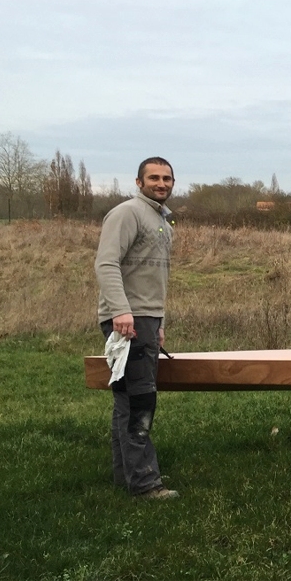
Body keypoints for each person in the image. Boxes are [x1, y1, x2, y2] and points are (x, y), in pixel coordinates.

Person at [95, 157, 178, 498]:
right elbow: (106, 262)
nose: (162, 183)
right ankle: (145, 484)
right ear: (139, 182)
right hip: (127, 319)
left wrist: (158, 323)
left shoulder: (162, 221)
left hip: (144, 320)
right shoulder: (127, 213)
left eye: (168, 178)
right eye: (154, 178)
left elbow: (153, 279)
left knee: (127, 399)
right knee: (141, 399)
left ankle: (125, 475)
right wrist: (121, 311)